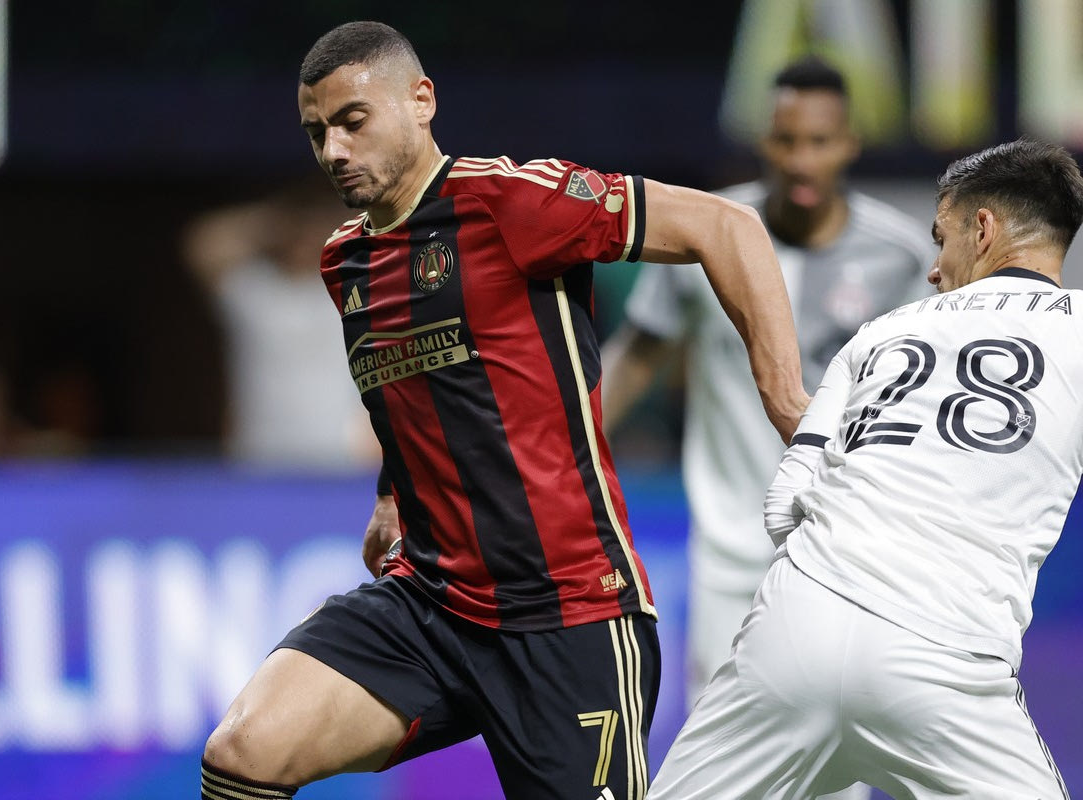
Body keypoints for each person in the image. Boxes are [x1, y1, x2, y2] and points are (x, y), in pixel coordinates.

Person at [200, 20, 808, 800]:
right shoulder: (345, 258)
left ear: (421, 101)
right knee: (243, 751)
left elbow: (725, 225)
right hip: (431, 605)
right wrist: (391, 495)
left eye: (353, 122)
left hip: (570, 616)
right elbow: (410, 387)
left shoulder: (512, 201)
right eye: (317, 133)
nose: (334, 151)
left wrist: (784, 395)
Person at [647, 138, 1083, 798]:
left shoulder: (880, 332)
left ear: (983, 229)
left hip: (797, 627)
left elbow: (783, 504)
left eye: (941, 240)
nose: (933, 269)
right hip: (946, 656)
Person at [601, 58, 931, 800]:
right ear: (764, 142)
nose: (802, 160)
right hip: (729, 558)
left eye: (820, 141)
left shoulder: (903, 258)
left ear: (850, 144)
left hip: (849, 558)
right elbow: (637, 356)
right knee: (723, 770)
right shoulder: (705, 234)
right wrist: (562, 449)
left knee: (833, 772)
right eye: (787, 140)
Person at [182, 183, 378, 469]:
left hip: (343, 460)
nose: (309, 235)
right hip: (260, 455)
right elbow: (204, 244)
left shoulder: (354, 286)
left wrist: (339, 220)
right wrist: (276, 219)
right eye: (302, 225)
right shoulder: (254, 292)